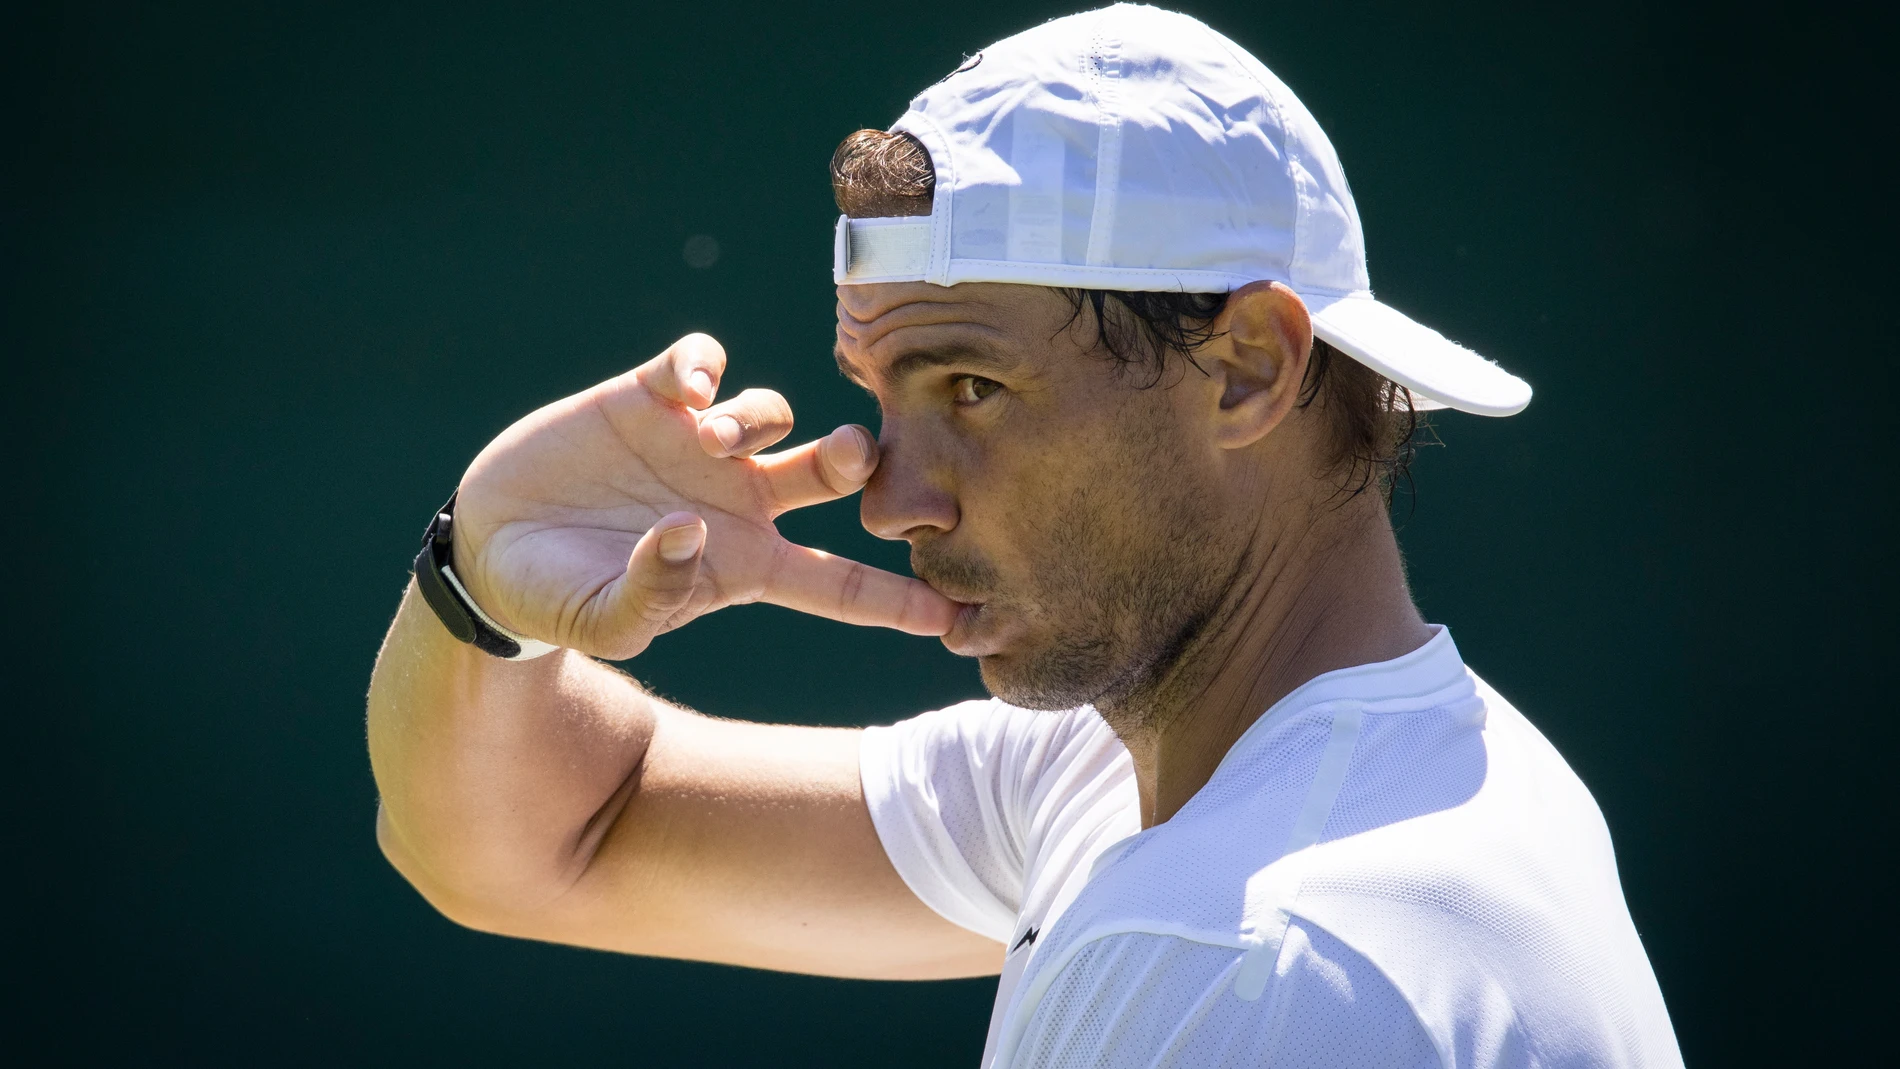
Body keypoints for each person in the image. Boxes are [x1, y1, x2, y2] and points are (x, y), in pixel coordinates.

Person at [366, 6, 1682, 1065]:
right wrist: (484, 580)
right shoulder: (1179, 780)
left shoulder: (1252, 956)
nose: (892, 500)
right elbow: (545, 847)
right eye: (885, 397)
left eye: (974, 391)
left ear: (1246, 370)